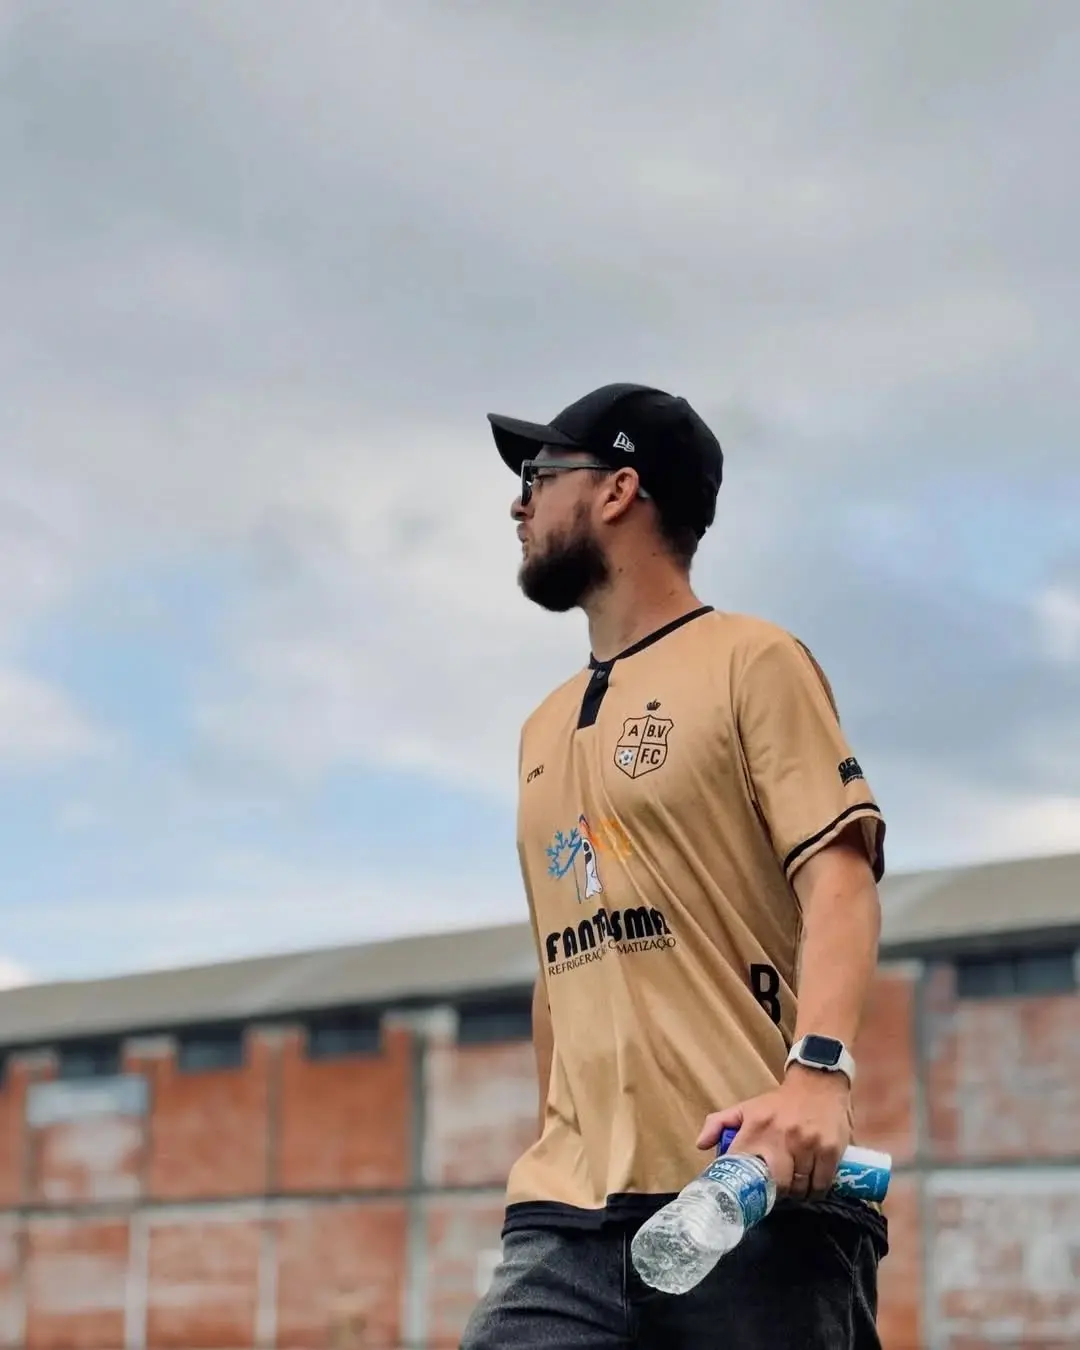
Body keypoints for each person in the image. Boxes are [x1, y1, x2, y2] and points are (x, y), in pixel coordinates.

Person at [460, 382, 888, 1349]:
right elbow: (559, 968)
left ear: (618, 491)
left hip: (745, 1198)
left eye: (539, 475)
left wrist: (818, 1075)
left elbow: (841, 880)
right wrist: (546, 1141)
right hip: (564, 1221)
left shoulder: (753, 660)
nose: (518, 503)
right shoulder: (539, 727)